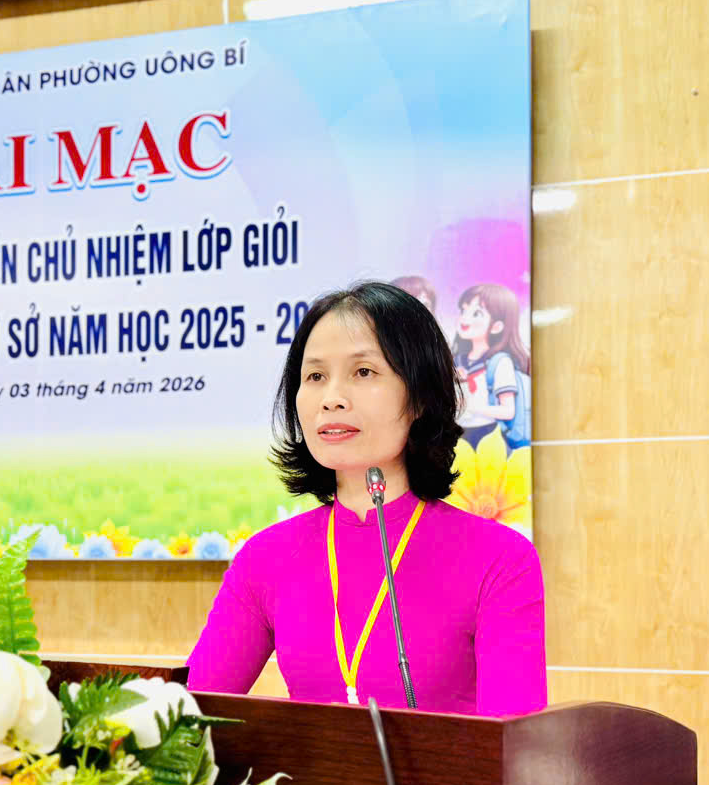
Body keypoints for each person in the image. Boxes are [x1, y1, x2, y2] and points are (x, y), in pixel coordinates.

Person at [185, 282, 545, 716]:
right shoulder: (265, 558)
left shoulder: (499, 559)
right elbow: (186, 722)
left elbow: (516, 745)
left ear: (420, 396)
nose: (332, 399)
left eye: (363, 372)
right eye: (315, 376)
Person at [452, 283, 532, 451]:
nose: (465, 318)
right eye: (463, 310)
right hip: (458, 435)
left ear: (497, 327)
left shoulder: (500, 363)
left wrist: (470, 406)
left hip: (489, 435)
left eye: (476, 313)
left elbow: (508, 411)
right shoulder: (457, 360)